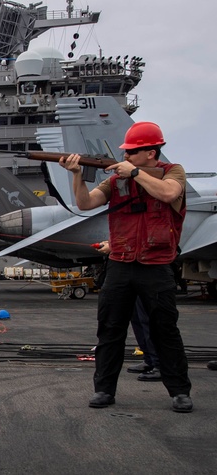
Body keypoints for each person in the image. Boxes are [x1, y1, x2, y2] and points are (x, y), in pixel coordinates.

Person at [59, 121, 193, 413]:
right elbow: (85, 203)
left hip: (156, 264)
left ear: (151, 152)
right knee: (109, 330)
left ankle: (180, 391)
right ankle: (104, 390)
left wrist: (134, 173)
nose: (127, 156)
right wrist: (77, 175)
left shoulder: (173, 172)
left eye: (133, 152)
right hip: (120, 263)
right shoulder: (116, 180)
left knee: (165, 330)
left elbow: (169, 194)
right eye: (127, 152)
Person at [96, 241, 161, 381]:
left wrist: (114, 246)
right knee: (137, 318)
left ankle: (159, 364)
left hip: (146, 270)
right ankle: (149, 359)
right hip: (129, 271)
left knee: (148, 319)